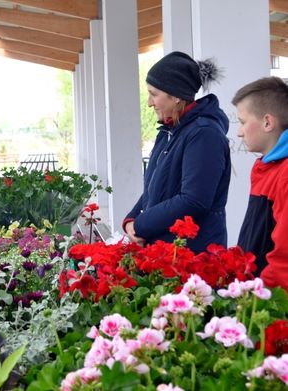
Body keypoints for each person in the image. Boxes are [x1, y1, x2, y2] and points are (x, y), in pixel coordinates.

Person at [123, 51, 231, 253]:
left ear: (176, 96)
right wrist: (132, 219)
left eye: (154, 94)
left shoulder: (204, 135)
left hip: (192, 257)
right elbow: (153, 189)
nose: (149, 102)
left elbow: (193, 200)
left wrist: (141, 225)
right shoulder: (168, 131)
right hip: (167, 253)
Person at [232, 76, 288, 292]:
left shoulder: (284, 174)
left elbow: (284, 259)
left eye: (243, 122)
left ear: (267, 122)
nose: (239, 131)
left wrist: (255, 299)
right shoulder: (266, 168)